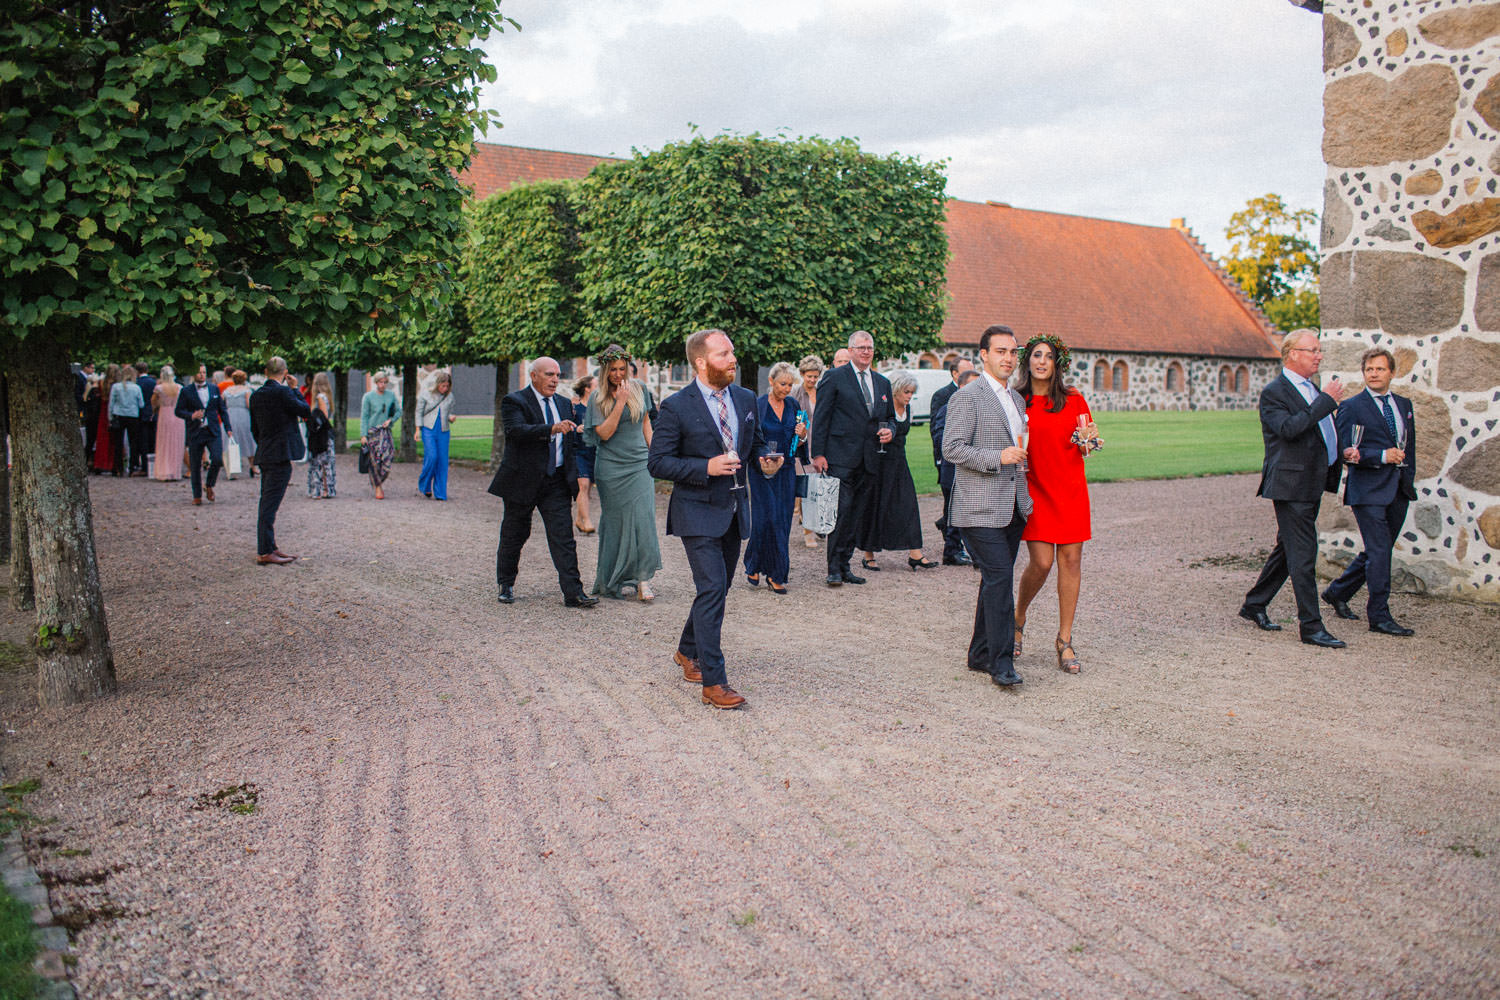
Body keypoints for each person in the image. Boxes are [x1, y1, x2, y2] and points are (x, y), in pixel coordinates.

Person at [647, 329, 776, 710]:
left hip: (736, 511)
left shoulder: (746, 397)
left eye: (733, 352)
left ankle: (687, 651)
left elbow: (755, 445)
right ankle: (714, 682)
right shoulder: (675, 406)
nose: (733, 359)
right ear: (701, 362)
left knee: (715, 590)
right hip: (696, 511)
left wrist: (769, 458)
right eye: (724, 354)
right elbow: (657, 462)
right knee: (713, 588)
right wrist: (706, 466)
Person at [1240, 328, 1347, 648]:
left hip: (1312, 481)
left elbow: (1319, 431)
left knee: (1288, 548)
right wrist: (1327, 401)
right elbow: (1289, 429)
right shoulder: (1276, 392)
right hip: (1291, 485)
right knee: (1303, 553)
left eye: (1318, 349)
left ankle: (1255, 603)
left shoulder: (1311, 389)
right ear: (1292, 354)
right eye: (1312, 350)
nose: (1319, 355)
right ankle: (1311, 626)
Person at [942, 324, 1032, 687]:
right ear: (984, 354)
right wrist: (999, 456)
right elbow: (953, 448)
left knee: (993, 582)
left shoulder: (1017, 399)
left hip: (1011, 506)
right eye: (1001, 351)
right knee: (1000, 579)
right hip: (978, 507)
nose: (1008, 358)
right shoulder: (969, 396)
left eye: (1013, 352)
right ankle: (1001, 663)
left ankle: (979, 654)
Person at [1010, 335, 1101, 675]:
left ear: (1057, 363)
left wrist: (1090, 441)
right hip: (1036, 489)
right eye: (1036, 355)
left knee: (1072, 560)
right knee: (1043, 562)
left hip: (1071, 489)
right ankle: (1018, 617)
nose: (1042, 361)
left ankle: (1064, 640)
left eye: (1049, 356)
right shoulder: (1017, 400)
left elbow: (1086, 445)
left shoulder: (1074, 399)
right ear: (1028, 361)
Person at [487, 357, 598, 608]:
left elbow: (569, 442)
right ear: (533, 375)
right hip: (522, 480)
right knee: (515, 534)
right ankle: (506, 583)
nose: (555, 380)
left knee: (563, 537)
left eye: (558, 375)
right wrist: (551, 429)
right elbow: (516, 431)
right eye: (549, 374)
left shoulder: (563, 403)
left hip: (555, 480)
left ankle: (573, 593)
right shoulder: (515, 401)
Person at [1322, 347, 1417, 636]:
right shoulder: (1352, 406)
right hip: (1367, 489)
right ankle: (1379, 615)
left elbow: (1409, 447)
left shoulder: (1404, 404)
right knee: (1379, 552)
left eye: (1379, 369)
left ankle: (1338, 592)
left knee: (1379, 550)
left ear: (1392, 372)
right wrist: (1380, 456)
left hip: (1398, 488)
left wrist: (1407, 479)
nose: (1374, 374)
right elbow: (1345, 450)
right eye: (1369, 369)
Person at [810, 330, 894, 587]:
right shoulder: (835, 377)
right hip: (840, 457)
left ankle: (846, 565)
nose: (866, 352)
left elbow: (890, 416)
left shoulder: (882, 383)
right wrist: (818, 453)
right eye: (861, 348)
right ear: (851, 350)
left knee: (857, 514)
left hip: (870, 459)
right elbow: (822, 416)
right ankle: (833, 568)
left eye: (869, 347)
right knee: (841, 512)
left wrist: (891, 429)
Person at [585, 345, 662, 601]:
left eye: (622, 369)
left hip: (639, 463)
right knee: (616, 524)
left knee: (643, 520)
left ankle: (642, 580)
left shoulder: (640, 389)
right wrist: (619, 403)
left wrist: (655, 455)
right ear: (605, 372)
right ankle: (612, 578)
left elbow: (646, 423)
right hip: (611, 467)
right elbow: (604, 433)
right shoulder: (598, 397)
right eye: (613, 370)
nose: (619, 374)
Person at [858, 371, 938, 572]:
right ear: (895, 390)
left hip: (899, 463)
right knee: (875, 505)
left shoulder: (908, 409)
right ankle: (869, 553)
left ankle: (915, 553)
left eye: (912, 392)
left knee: (908, 504)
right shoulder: (884, 408)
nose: (909, 396)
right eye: (906, 392)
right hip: (880, 461)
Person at [744, 362, 805, 593]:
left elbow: (798, 440)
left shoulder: (793, 404)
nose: (787, 389)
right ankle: (754, 563)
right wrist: (761, 459)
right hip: (761, 469)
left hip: (786, 469)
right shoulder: (758, 405)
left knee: (782, 520)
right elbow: (749, 438)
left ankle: (776, 573)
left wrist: (802, 435)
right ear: (771, 382)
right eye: (783, 384)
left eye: (790, 384)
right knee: (764, 519)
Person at [250, 357, 311, 565]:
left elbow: (254, 428)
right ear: (285, 372)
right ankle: (265, 550)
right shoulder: (283, 392)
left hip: (266, 451)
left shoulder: (256, 395)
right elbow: (305, 410)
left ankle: (270, 545)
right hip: (280, 453)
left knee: (267, 500)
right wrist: (295, 389)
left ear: (266, 371)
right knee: (269, 503)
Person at [930, 358, 976, 565]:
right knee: (954, 511)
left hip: (974, 469)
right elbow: (940, 438)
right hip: (953, 468)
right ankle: (952, 550)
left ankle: (975, 553)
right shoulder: (948, 408)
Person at [175, 364, 233, 505]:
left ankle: (209, 485)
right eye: (199, 372)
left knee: (217, 459)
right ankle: (197, 495)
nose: (201, 375)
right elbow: (178, 411)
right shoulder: (186, 391)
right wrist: (191, 415)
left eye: (204, 372)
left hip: (212, 430)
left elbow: (222, 409)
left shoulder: (214, 388)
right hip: (195, 431)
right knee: (195, 465)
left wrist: (228, 427)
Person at [789, 355, 823, 549]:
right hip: (801, 446)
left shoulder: (821, 392)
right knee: (806, 490)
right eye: (809, 376)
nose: (812, 380)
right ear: (802, 374)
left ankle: (813, 523)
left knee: (817, 489)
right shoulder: (795, 393)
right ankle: (808, 532)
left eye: (815, 376)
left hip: (818, 445)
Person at [415, 371, 457, 500]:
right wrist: (417, 430)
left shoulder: (450, 397)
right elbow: (419, 412)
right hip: (428, 430)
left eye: (447, 386)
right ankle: (425, 484)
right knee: (432, 457)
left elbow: (448, 412)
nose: (444, 388)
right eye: (442, 386)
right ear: (437, 384)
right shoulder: (426, 394)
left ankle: (440, 493)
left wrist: (451, 417)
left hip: (444, 431)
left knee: (442, 461)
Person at [360, 372, 400, 499]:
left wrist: (391, 420)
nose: (382, 385)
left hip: (385, 432)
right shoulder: (368, 397)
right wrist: (363, 435)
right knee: (374, 462)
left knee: (388, 457)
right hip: (372, 432)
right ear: (376, 382)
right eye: (380, 382)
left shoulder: (391, 396)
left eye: (385, 382)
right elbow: (364, 417)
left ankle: (378, 481)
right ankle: (378, 487)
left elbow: (398, 411)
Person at [570, 375, 598, 535]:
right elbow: (567, 428)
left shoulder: (600, 409)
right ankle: (587, 521)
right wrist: (576, 429)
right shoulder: (575, 409)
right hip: (579, 452)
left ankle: (579, 519)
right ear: (587, 388)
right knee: (584, 485)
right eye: (596, 385)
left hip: (594, 453)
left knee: (587, 490)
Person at [107, 365, 144, 477]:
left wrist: (110, 418)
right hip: (133, 416)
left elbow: (111, 403)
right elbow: (141, 404)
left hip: (119, 415)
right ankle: (132, 467)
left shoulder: (116, 387)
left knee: (118, 443)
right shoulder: (136, 388)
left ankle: (118, 467)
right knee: (133, 442)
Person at [306, 372, 337, 499]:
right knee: (327, 462)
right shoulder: (328, 397)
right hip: (327, 434)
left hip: (321, 435)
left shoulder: (320, 397)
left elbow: (322, 417)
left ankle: (319, 489)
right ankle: (327, 488)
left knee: (319, 462)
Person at [152, 366, 185, 481]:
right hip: (177, 416)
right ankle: (175, 471)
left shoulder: (159, 388)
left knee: (163, 443)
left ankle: (163, 470)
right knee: (176, 443)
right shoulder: (179, 387)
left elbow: (153, 402)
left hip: (165, 413)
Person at [90, 364, 120, 475]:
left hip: (103, 412)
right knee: (113, 440)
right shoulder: (118, 385)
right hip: (114, 412)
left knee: (102, 439)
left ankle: (100, 463)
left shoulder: (101, 383)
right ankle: (113, 464)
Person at [134, 363, 156, 475]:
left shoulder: (137, 383)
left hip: (141, 414)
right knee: (152, 441)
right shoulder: (153, 382)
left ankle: (144, 466)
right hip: (152, 414)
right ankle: (152, 465)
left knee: (143, 442)